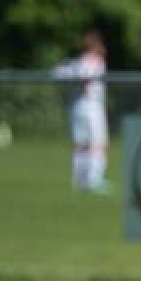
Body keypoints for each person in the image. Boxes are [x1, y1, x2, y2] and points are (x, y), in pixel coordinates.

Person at [53, 31, 109, 193]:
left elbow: (58, 73)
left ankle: (79, 180)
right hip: (91, 105)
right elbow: (85, 77)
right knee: (97, 143)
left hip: (77, 106)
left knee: (81, 144)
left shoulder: (75, 63)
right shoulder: (94, 61)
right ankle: (93, 180)